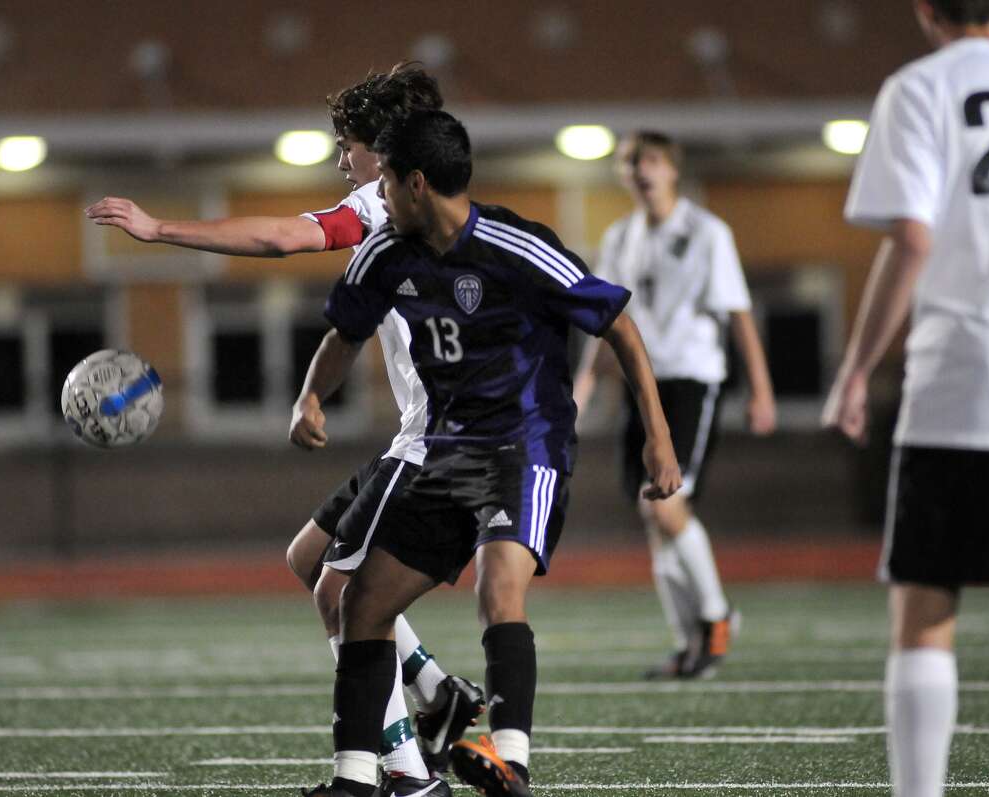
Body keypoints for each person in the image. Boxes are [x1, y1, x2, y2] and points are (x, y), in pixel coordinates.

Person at [85, 64, 483, 797]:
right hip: (423, 432)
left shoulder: (382, 199)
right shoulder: (434, 201)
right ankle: (434, 692)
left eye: (347, 144)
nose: (341, 161)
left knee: (343, 594)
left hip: (440, 439)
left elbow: (283, 238)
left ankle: (399, 772)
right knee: (310, 558)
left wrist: (160, 228)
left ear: (384, 152)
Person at [289, 109, 680, 797]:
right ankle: (355, 778)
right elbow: (343, 333)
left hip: (525, 444)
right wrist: (311, 396)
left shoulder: (515, 246)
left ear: (416, 184)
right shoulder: (388, 253)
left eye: (386, 181)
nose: (377, 195)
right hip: (444, 448)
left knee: (498, 587)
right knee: (362, 602)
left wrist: (658, 434)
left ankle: (511, 766)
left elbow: (617, 322)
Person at [822, 2, 989, 795]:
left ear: (925, 9)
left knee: (927, 606)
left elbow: (915, 238)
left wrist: (857, 367)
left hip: (970, 373)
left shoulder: (920, 86)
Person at [573, 130, 776, 680]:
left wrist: (761, 389)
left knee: (666, 503)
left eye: (653, 161)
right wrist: (586, 381)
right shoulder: (620, 237)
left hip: (692, 380)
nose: (642, 171)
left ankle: (715, 617)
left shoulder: (708, 232)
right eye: (633, 162)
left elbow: (739, 314)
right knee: (650, 512)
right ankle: (692, 646)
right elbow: (606, 321)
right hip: (641, 387)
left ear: (672, 170)